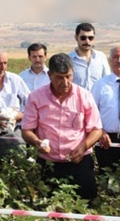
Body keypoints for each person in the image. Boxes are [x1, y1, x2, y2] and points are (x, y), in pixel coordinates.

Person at [21, 53, 102, 202]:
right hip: (48, 165)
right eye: (59, 77)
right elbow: (26, 130)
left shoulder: (84, 96)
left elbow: (97, 129)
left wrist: (84, 146)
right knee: (48, 208)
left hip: (80, 164)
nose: (65, 82)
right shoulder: (36, 97)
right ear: (50, 75)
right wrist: (37, 142)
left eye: (68, 76)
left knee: (85, 206)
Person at [68, 23, 111, 91]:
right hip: (77, 100)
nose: (87, 41)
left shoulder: (101, 57)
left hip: (97, 101)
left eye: (90, 38)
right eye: (83, 38)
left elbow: (107, 81)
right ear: (76, 38)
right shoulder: (68, 59)